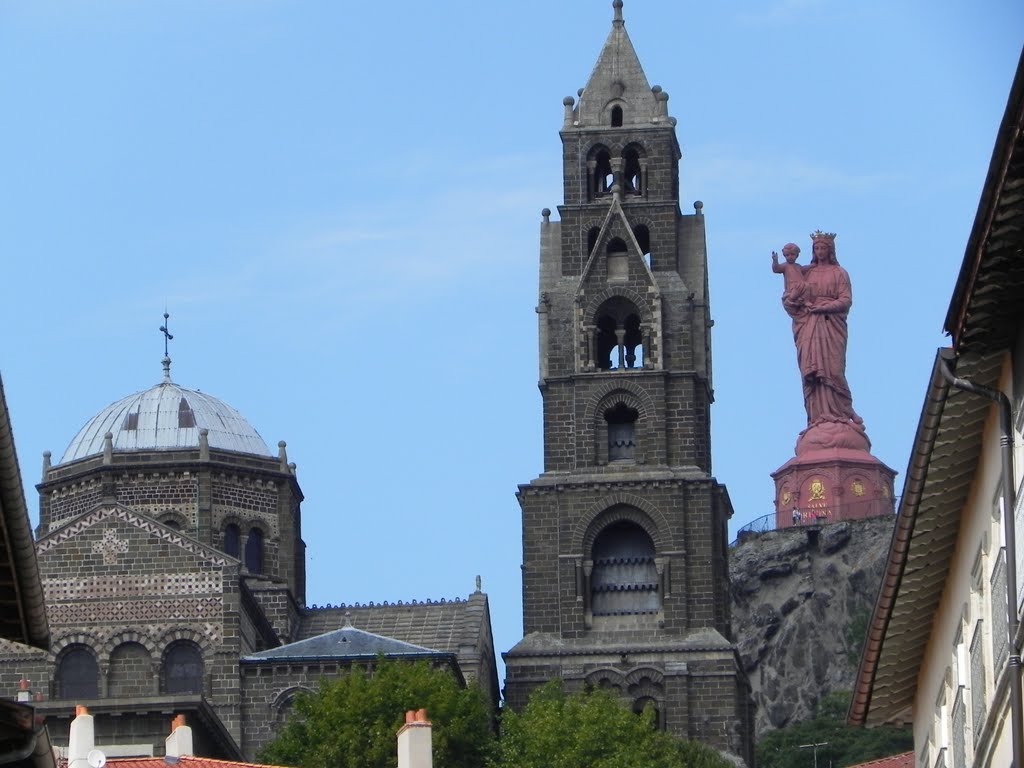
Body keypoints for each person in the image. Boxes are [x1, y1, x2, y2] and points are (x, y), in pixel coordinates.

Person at [787, 232, 863, 429]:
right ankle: (817, 416)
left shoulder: (839, 273)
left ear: (830, 250)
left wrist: (823, 307)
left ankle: (843, 410)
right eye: (817, 248)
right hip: (809, 325)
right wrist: (793, 301)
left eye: (823, 248)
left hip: (831, 325)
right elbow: (792, 297)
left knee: (833, 369)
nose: (820, 252)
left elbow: (845, 300)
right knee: (811, 372)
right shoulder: (807, 273)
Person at [771, 242, 806, 316]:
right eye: (787, 255)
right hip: (792, 288)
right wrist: (775, 261)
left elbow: (805, 269)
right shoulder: (785, 266)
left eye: (792, 254)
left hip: (800, 287)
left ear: (797, 255)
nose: (790, 257)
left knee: (805, 286)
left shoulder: (798, 266)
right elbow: (776, 269)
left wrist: (814, 265)